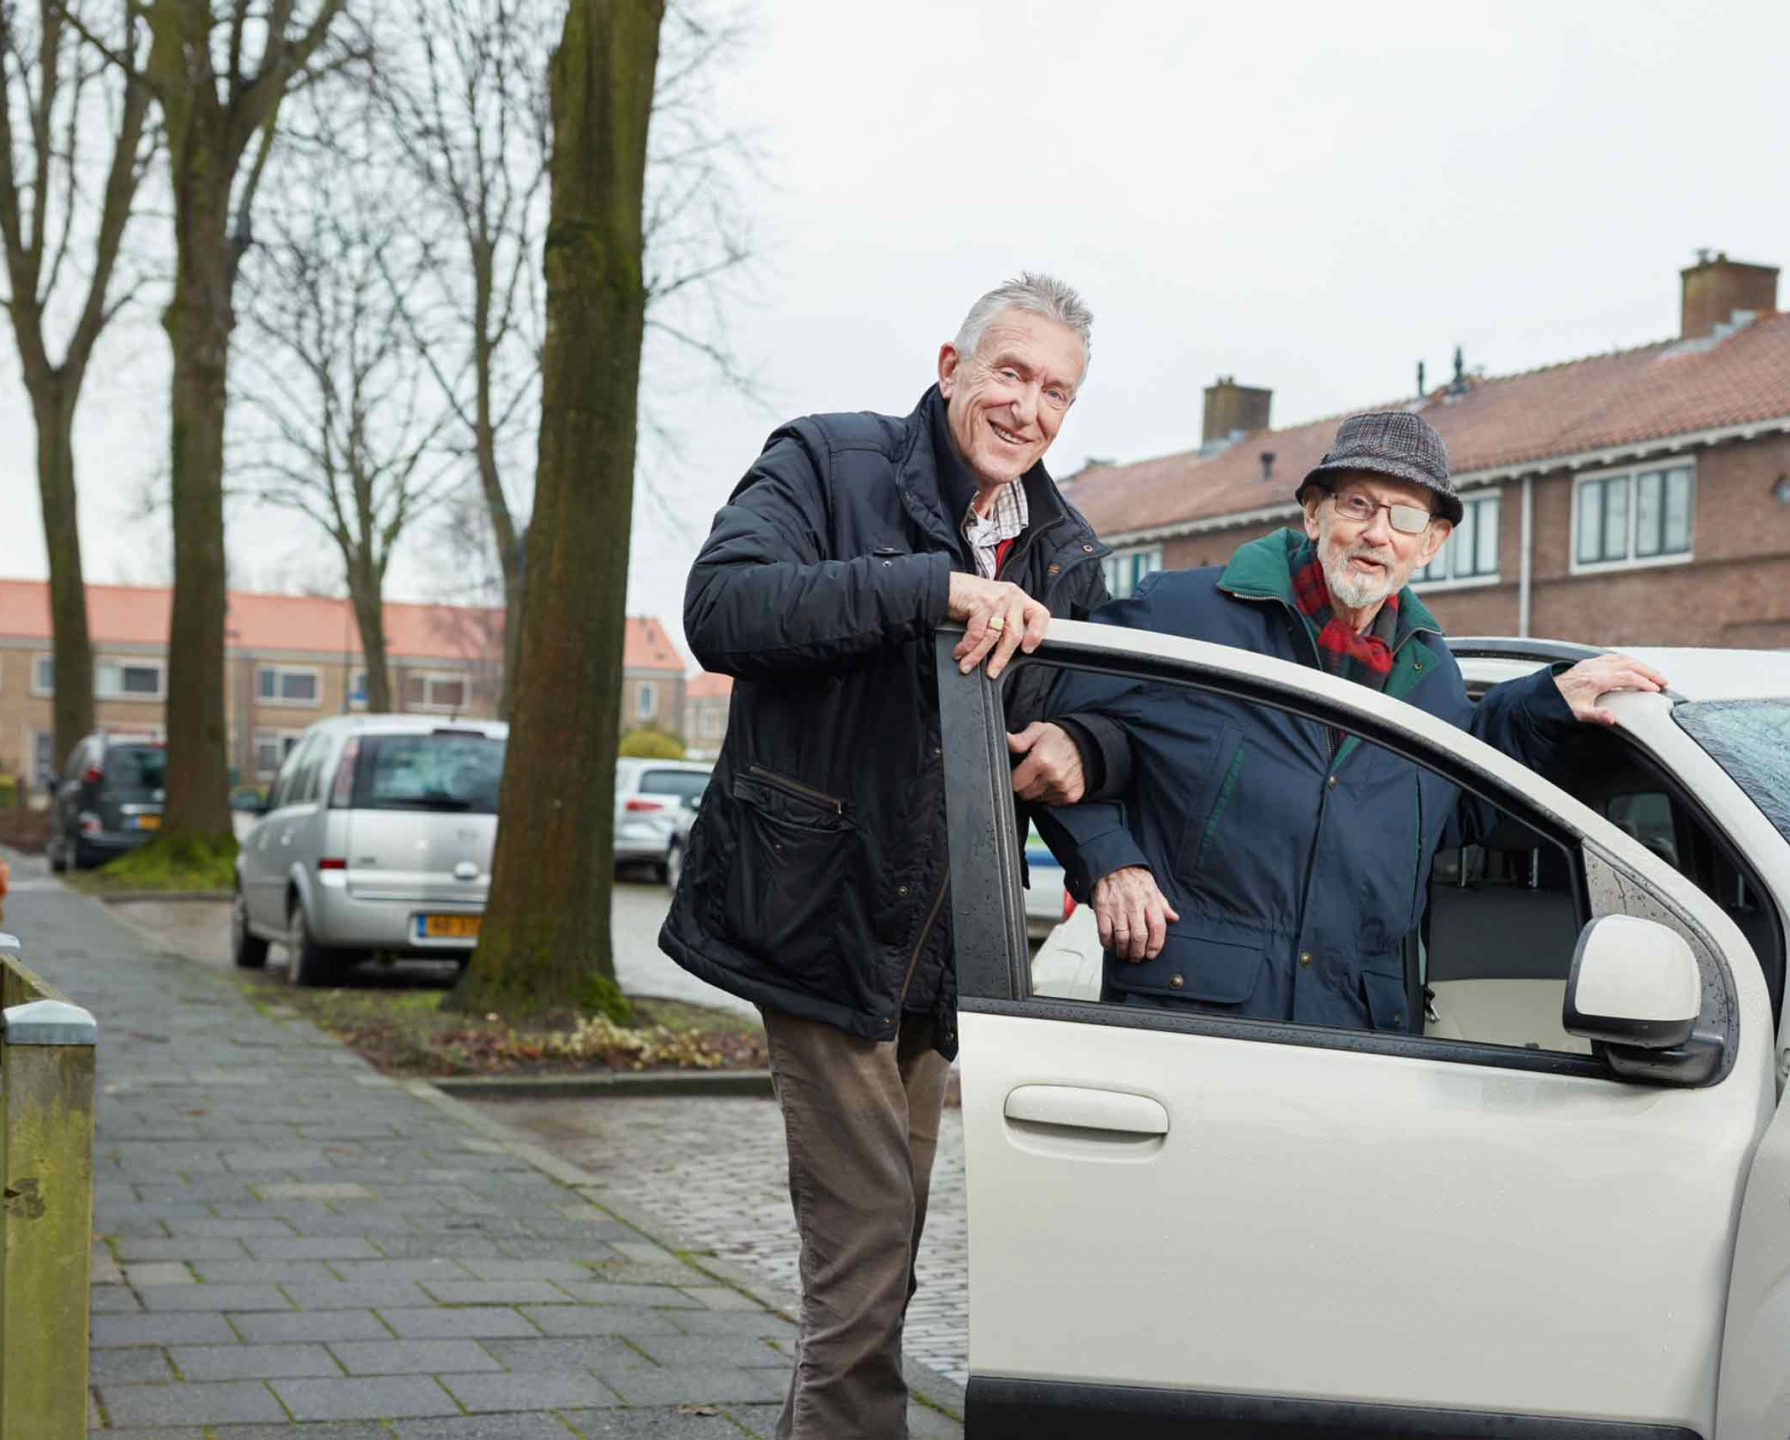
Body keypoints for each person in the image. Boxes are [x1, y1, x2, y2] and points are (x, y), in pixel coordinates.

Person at [660, 273, 1127, 1439]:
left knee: (889, 1237)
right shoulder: (828, 463)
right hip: (815, 912)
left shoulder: (1065, 553)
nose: (1026, 408)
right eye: (1009, 374)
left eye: (1055, 391)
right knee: (866, 1245)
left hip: (939, 944)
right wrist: (931, 587)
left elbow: (1098, 711)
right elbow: (723, 608)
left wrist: (1080, 746)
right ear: (950, 366)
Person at [1037, 409, 1668, 1028]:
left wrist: (1543, 707)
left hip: (1355, 1041)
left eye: (1406, 515)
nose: (1377, 533)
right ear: (1314, 513)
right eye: (1358, 505)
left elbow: (1455, 808)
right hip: (1194, 1021)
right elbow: (1046, 725)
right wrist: (1109, 862)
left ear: (1432, 542)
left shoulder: (1433, 680)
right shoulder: (1185, 614)